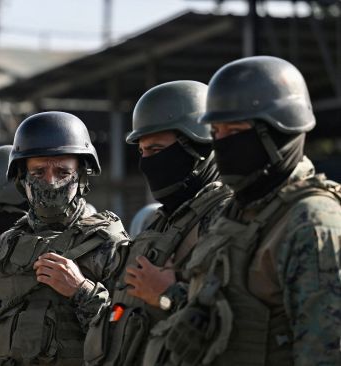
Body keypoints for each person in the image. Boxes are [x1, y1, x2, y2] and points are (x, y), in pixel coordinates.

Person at [145, 56, 341, 366]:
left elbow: (325, 352)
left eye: (234, 131)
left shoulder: (312, 223)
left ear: (279, 131)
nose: (221, 144)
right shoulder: (236, 213)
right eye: (216, 132)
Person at [83, 81, 231, 366]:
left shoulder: (225, 217)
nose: (146, 163)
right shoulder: (159, 221)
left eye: (157, 149)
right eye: (142, 152)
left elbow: (234, 330)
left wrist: (167, 294)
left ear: (199, 147)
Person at [0, 111, 130, 366]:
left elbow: (125, 324)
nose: (51, 182)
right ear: (22, 179)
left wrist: (81, 291)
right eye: (39, 172)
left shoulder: (107, 242)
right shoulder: (6, 245)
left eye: (63, 172)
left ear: (82, 176)